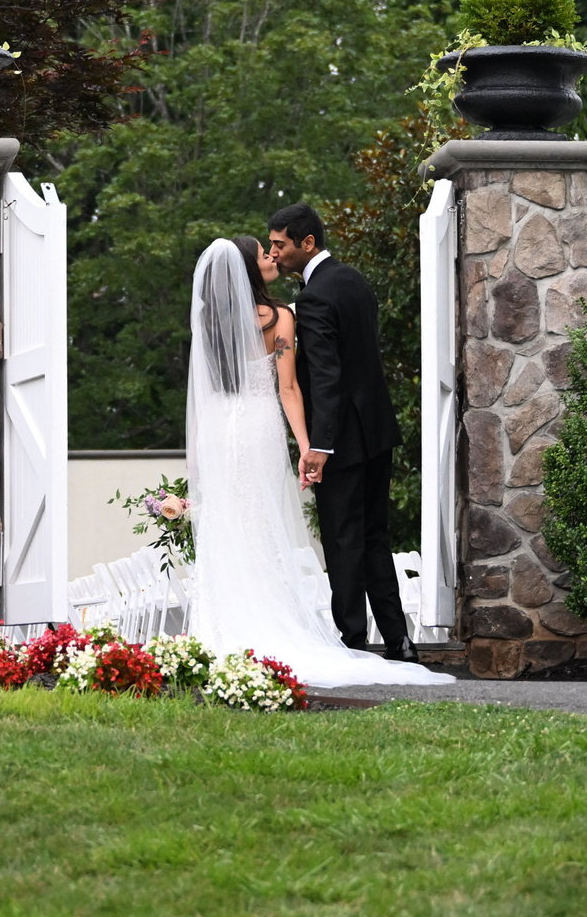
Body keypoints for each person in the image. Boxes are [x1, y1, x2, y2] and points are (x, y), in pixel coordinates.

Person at [182, 234, 452, 689]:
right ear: (250, 269)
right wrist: (309, 447)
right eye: (263, 254)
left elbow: (207, 389)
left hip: (218, 429)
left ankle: (222, 628)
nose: (271, 257)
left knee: (229, 523)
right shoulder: (278, 317)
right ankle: (274, 620)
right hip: (259, 428)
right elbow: (289, 389)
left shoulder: (208, 323)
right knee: (264, 523)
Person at [265, 204, 420, 661]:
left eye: (281, 244)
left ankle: (351, 642)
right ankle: (399, 639)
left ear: (307, 243)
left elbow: (328, 376)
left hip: (343, 441)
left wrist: (320, 446)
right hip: (377, 432)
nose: (275, 253)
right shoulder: (353, 279)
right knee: (375, 536)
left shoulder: (314, 297)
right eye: (270, 246)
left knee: (342, 538)